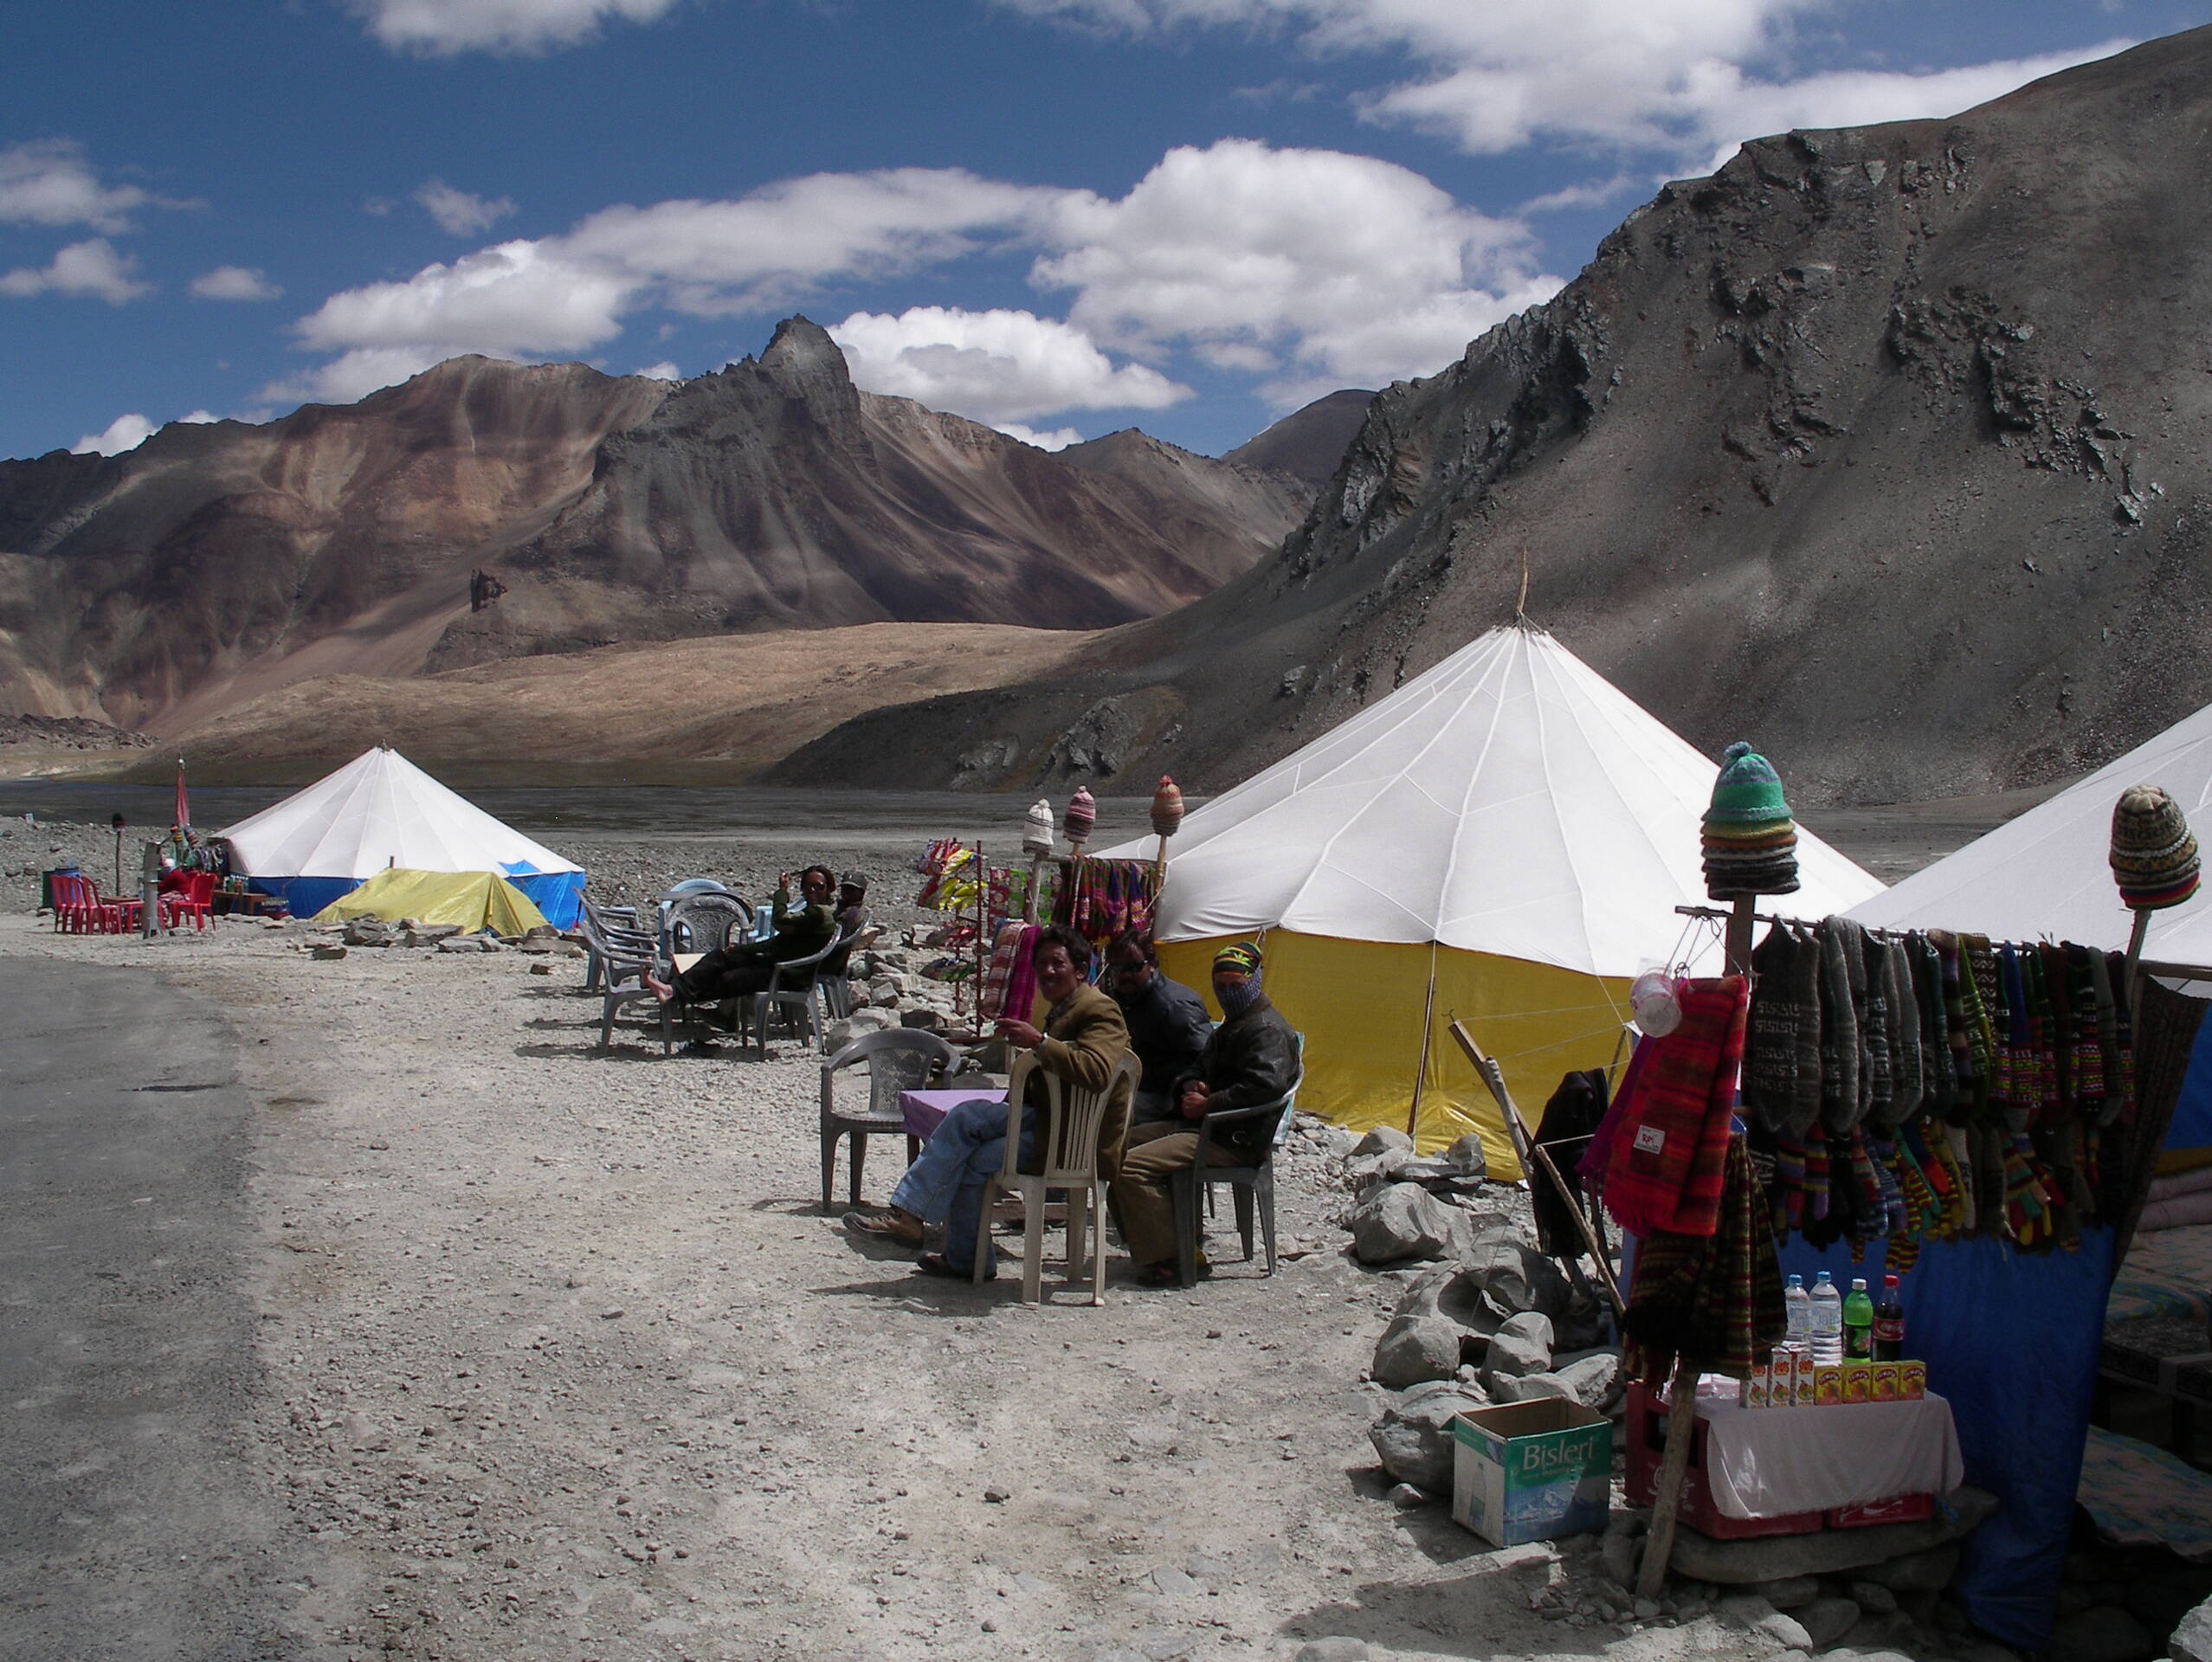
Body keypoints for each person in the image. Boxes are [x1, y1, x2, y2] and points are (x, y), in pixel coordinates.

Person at [845, 926, 1131, 1278]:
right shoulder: (1065, 1008)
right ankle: (963, 1259)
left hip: (1072, 1139)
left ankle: (910, 1215)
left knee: (966, 1118)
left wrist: (1039, 1043)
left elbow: (1098, 1071)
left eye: (1057, 963)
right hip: (1048, 1125)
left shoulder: (1100, 1010)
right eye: (1041, 963)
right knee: (972, 1152)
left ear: (1081, 970)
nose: (1047, 972)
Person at [1111, 941, 1299, 1288]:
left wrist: (1209, 1104)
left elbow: (1265, 1086)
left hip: (1233, 1138)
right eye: (1221, 986)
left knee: (1131, 1166)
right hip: (1208, 1125)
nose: (1227, 993)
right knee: (1112, 1146)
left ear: (1255, 981)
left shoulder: (1266, 1029)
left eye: (1236, 986)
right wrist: (1191, 1084)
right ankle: (1161, 1239)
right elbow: (1196, 1064)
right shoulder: (1236, 1023)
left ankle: (1176, 1258)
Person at [645, 865, 836, 1007]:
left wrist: (782, 892)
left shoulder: (819, 914)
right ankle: (674, 990)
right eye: (808, 886)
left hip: (787, 973)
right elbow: (778, 942)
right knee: (721, 956)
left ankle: (675, 994)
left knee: (729, 978)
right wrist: (740, 949)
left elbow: (780, 921)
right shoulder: (811, 913)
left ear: (828, 889)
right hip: (777, 964)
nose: (812, 891)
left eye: (818, 887)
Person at [1106, 930, 1213, 1124]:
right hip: (1133, 1083)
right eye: (1117, 968)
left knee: (1106, 1111)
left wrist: (1146, 1072)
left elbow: (1203, 1059)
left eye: (1134, 967)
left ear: (1152, 965)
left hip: (1166, 1096)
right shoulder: (1121, 1000)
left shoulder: (1174, 1005)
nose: (1125, 975)